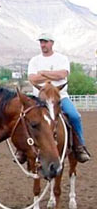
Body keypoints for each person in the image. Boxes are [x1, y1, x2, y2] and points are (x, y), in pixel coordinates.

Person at [26, 32, 91, 163]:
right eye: (41, 42)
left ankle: (79, 146)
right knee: (23, 118)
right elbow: (32, 79)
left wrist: (43, 73)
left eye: (45, 42)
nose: (43, 44)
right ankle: (22, 150)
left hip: (59, 96)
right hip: (39, 98)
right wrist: (53, 75)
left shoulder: (61, 59)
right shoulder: (34, 60)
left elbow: (63, 74)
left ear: (52, 43)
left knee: (74, 116)